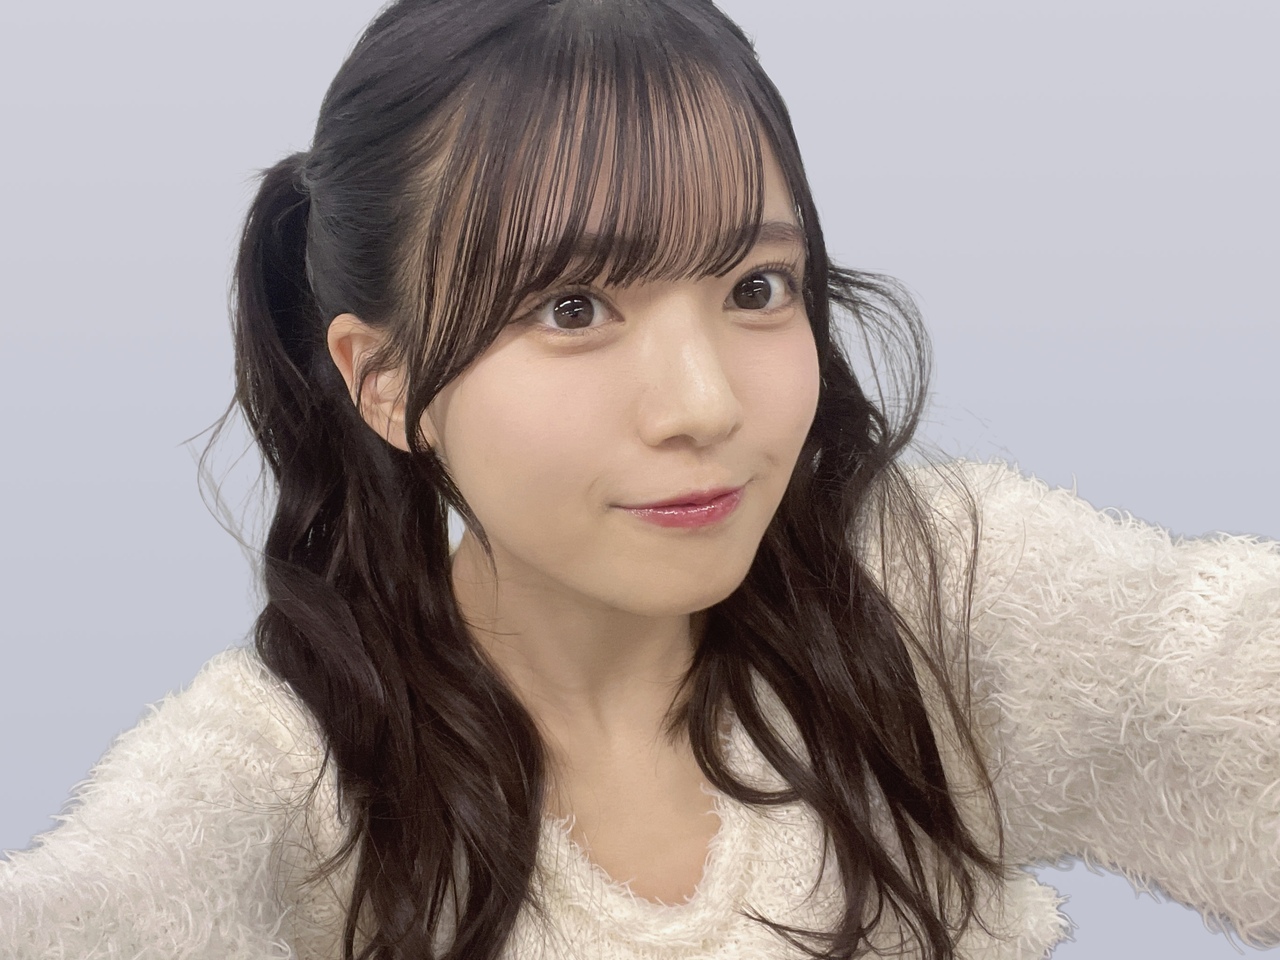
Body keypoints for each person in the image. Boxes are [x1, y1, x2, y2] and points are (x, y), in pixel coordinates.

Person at [2, 1, 1277, 958]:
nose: (704, 404)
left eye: (755, 288)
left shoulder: (926, 592)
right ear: (383, 381)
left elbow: (1210, 669)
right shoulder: (282, 779)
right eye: (572, 307)